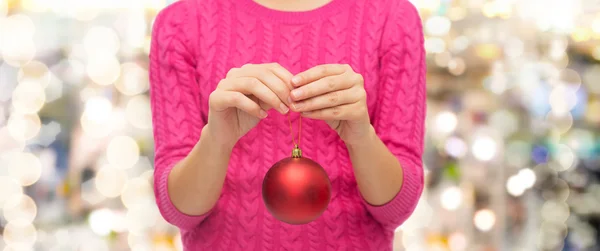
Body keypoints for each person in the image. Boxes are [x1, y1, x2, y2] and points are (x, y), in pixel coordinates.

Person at [149, 0, 426, 250]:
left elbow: (396, 209)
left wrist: (362, 138)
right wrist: (217, 141)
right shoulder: (180, 23)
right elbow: (179, 211)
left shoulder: (393, 18)